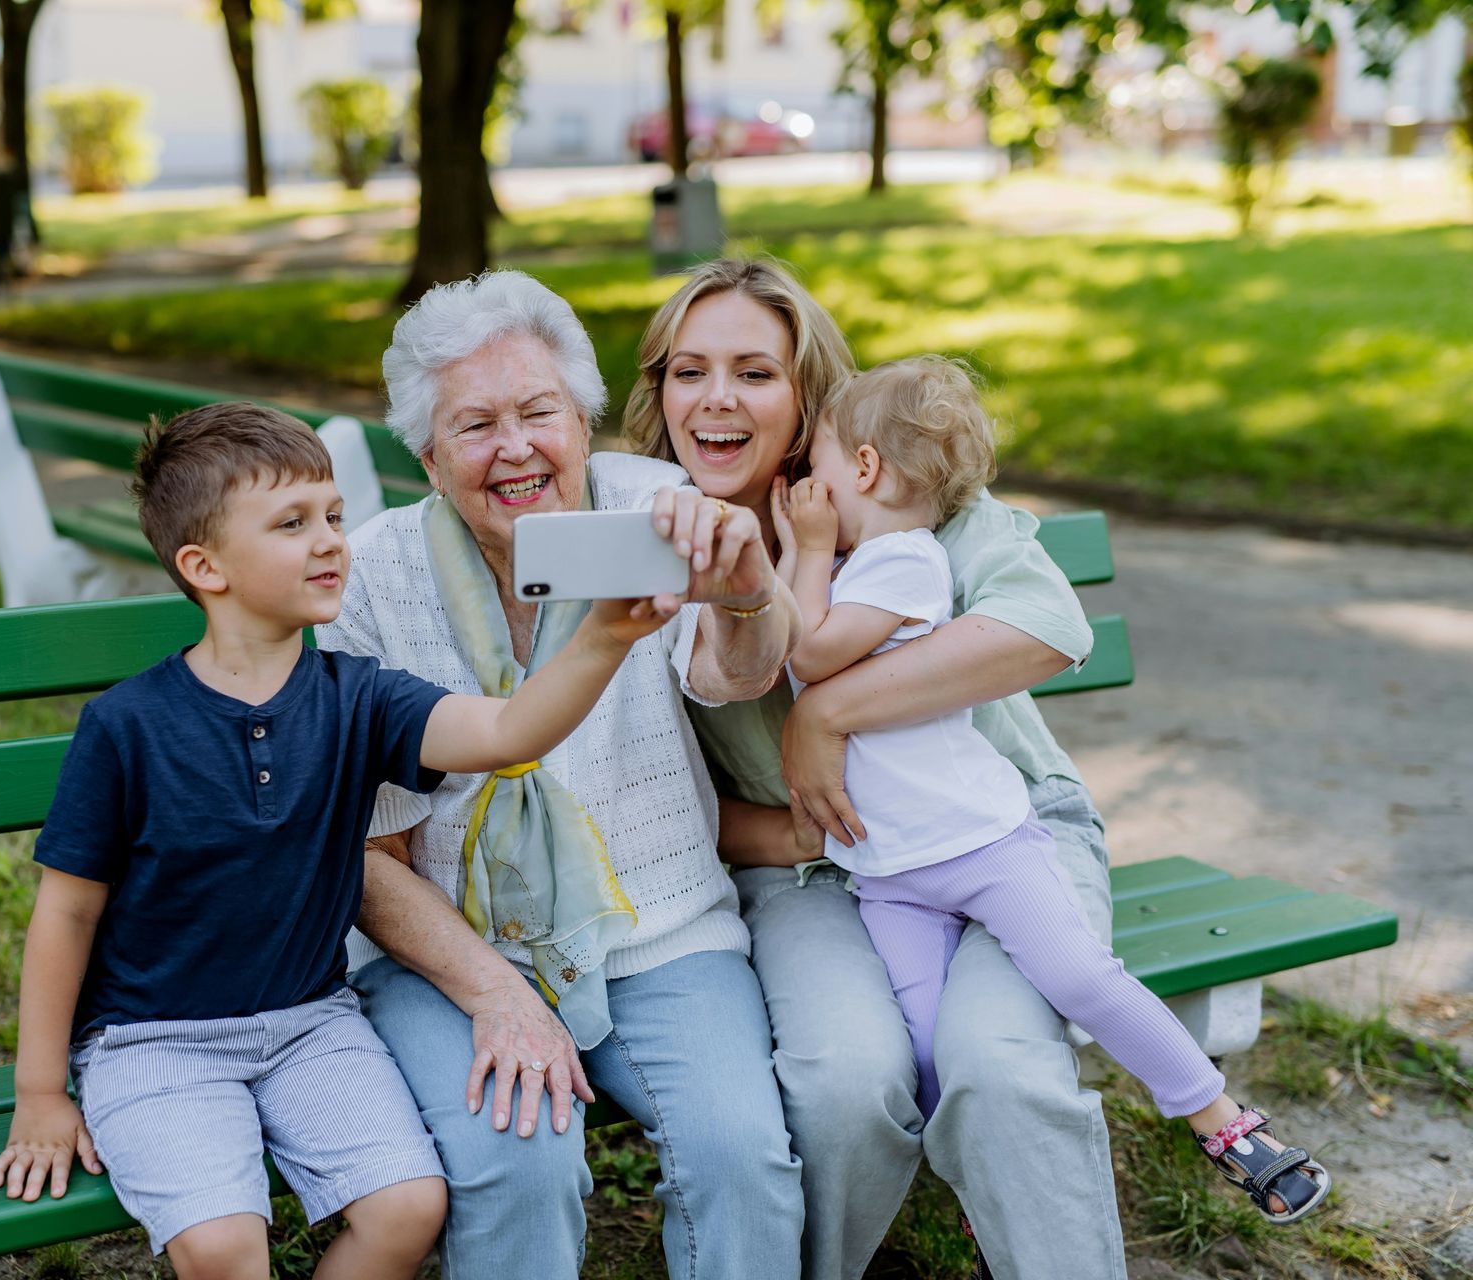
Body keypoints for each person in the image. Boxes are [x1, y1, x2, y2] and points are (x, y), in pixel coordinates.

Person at [0, 402, 676, 1280]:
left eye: (335, 516)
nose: (330, 542)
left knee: (407, 1207)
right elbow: (67, 914)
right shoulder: (128, 727)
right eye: (292, 523)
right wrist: (41, 1092)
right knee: (224, 1247)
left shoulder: (361, 699)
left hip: (310, 1024)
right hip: (154, 1040)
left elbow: (507, 732)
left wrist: (608, 634)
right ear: (205, 567)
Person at [622, 256, 1126, 1279]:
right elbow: (625, 792)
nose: (717, 399)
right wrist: (783, 831)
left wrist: (831, 711)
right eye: (689, 371)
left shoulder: (889, 489)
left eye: (755, 373)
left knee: (1003, 1069)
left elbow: (1046, 623)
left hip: (999, 835)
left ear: (807, 396)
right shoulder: (642, 532)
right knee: (842, 1081)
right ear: (659, 393)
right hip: (812, 871)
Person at [319, 270, 807, 1280]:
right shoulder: (369, 579)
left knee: (740, 1155)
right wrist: (497, 990)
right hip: (447, 953)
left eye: (539, 412)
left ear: (583, 421)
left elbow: (732, 673)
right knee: (519, 1164)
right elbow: (368, 856)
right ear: (428, 455)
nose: (515, 448)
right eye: (475, 425)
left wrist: (751, 593)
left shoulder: (657, 511)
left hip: (659, 926)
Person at [771, 355, 1329, 1223]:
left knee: (1081, 977)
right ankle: (972, 1199)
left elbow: (804, 655)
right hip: (892, 873)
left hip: (984, 848)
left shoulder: (902, 566)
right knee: (926, 1045)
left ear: (867, 470)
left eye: (818, 469)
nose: (809, 488)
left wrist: (803, 548)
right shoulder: (857, 569)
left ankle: (1218, 1116)